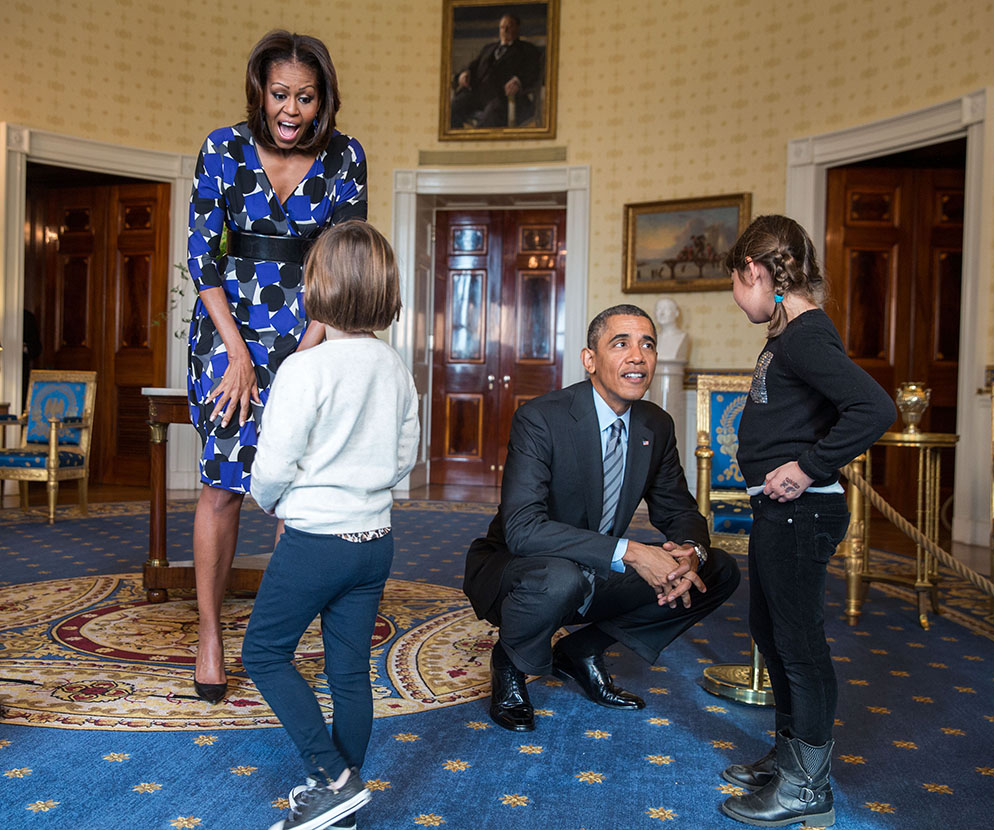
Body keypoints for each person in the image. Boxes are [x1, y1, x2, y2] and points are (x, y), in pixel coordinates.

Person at [186, 30, 367, 705]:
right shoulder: (222, 147)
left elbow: (343, 263)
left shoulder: (347, 156)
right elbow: (203, 261)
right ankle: (209, 635)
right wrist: (236, 354)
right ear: (260, 92)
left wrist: (306, 352)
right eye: (280, 94)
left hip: (313, 335)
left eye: (306, 97)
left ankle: (277, 638)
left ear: (324, 99)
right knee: (223, 487)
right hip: (229, 337)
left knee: (302, 492)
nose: (292, 109)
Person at [463, 304, 740, 732]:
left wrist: (690, 552)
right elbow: (522, 529)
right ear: (589, 360)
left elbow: (678, 509)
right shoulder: (542, 418)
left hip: (596, 566)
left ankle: (581, 651)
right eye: (621, 344)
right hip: (522, 568)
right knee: (562, 578)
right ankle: (511, 662)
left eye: (647, 345)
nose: (637, 356)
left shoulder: (656, 424)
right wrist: (630, 552)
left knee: (717, 570)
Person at [241, 221, 419, 830]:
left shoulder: (304, 368)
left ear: (317, 286)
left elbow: (272, 465)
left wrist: (275, 503)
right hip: (376, 541)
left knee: (263, 652)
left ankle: (333, 776)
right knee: (349, 671)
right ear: (384, 290)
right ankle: (337, 796)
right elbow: (404, 457)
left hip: (315, 542)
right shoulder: (393, 365)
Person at [719, 216, 895, 828]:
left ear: (755, 273)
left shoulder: (805, 336)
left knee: (798, 645)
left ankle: (806, 786)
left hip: (802, 509)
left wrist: (807, 466)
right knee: (771, 632)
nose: (735, 297)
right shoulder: (792, 333)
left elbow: (874, 407)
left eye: (734, 284)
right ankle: (792, 754)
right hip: (780, 511)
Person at [450, 12, 542, 129]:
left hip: (503, 98)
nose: (505, 30)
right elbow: (473, 66)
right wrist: (465, 73)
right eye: (502, 27)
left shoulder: (527, 49)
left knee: (491, 116)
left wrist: (518, 81)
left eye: (509, 26)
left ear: (518, 28)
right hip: (478, 95)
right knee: (453, 108)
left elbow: (533, 71)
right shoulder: (489, 48)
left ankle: (478, 144)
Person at [653, 297, 690, 362]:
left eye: (666, 309)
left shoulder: (683, 337)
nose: (662, 313)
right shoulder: (652, 338)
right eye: (658, 309)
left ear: (676, 313)